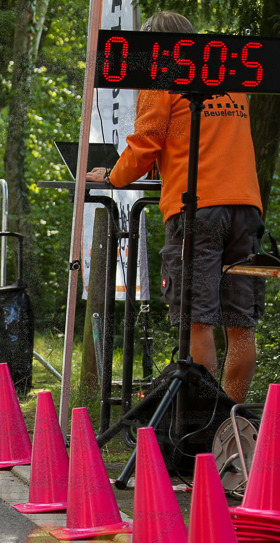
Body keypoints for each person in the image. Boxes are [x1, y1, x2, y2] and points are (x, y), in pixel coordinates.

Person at [86, 10, 263, 403]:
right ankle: (228, 423)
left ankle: (198, 427)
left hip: (196, 209)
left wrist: (114, 175)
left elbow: (146, 142)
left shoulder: (164, 71)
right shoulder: (231, 76)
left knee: (196, 323)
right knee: (241, 326)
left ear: (154, 43)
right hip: (246, 207)